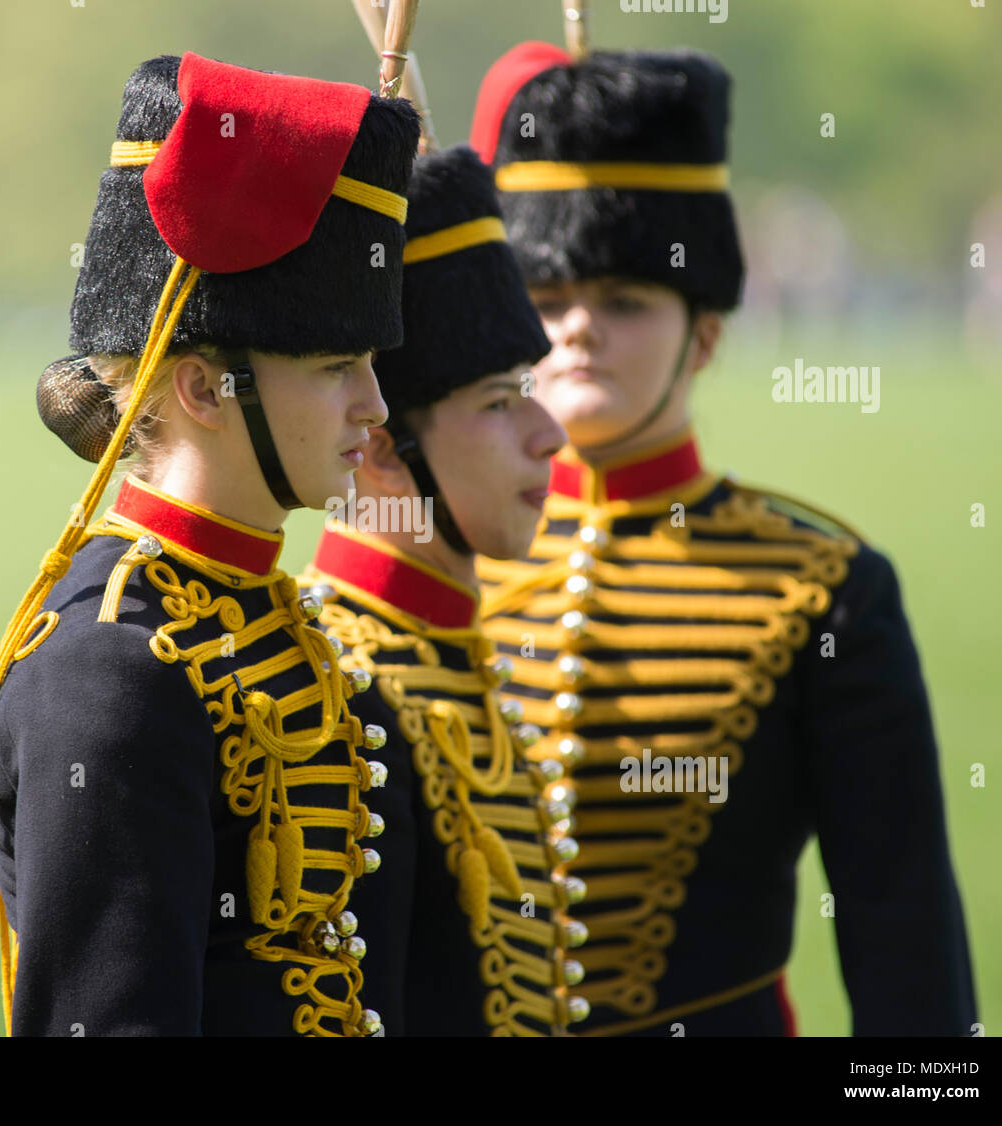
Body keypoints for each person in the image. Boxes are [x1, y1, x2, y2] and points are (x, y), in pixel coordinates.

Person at [467, 42, 977, 1036]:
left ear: (703, 333)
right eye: (546, 297)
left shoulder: (826, 587)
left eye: (622, 301)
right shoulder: (446, 554)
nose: (576, 330)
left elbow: (899, 926)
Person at [0, 50, 421, 1037]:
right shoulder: (110, 668)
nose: (375, 407)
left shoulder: (275, 619)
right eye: (338, 365)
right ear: (205, 389)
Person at [298, 143, 582, 1035]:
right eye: (499, 403)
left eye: (529, 391)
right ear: (382, 446)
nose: (550, 437)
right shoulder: (335, 696)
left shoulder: (451, 651)